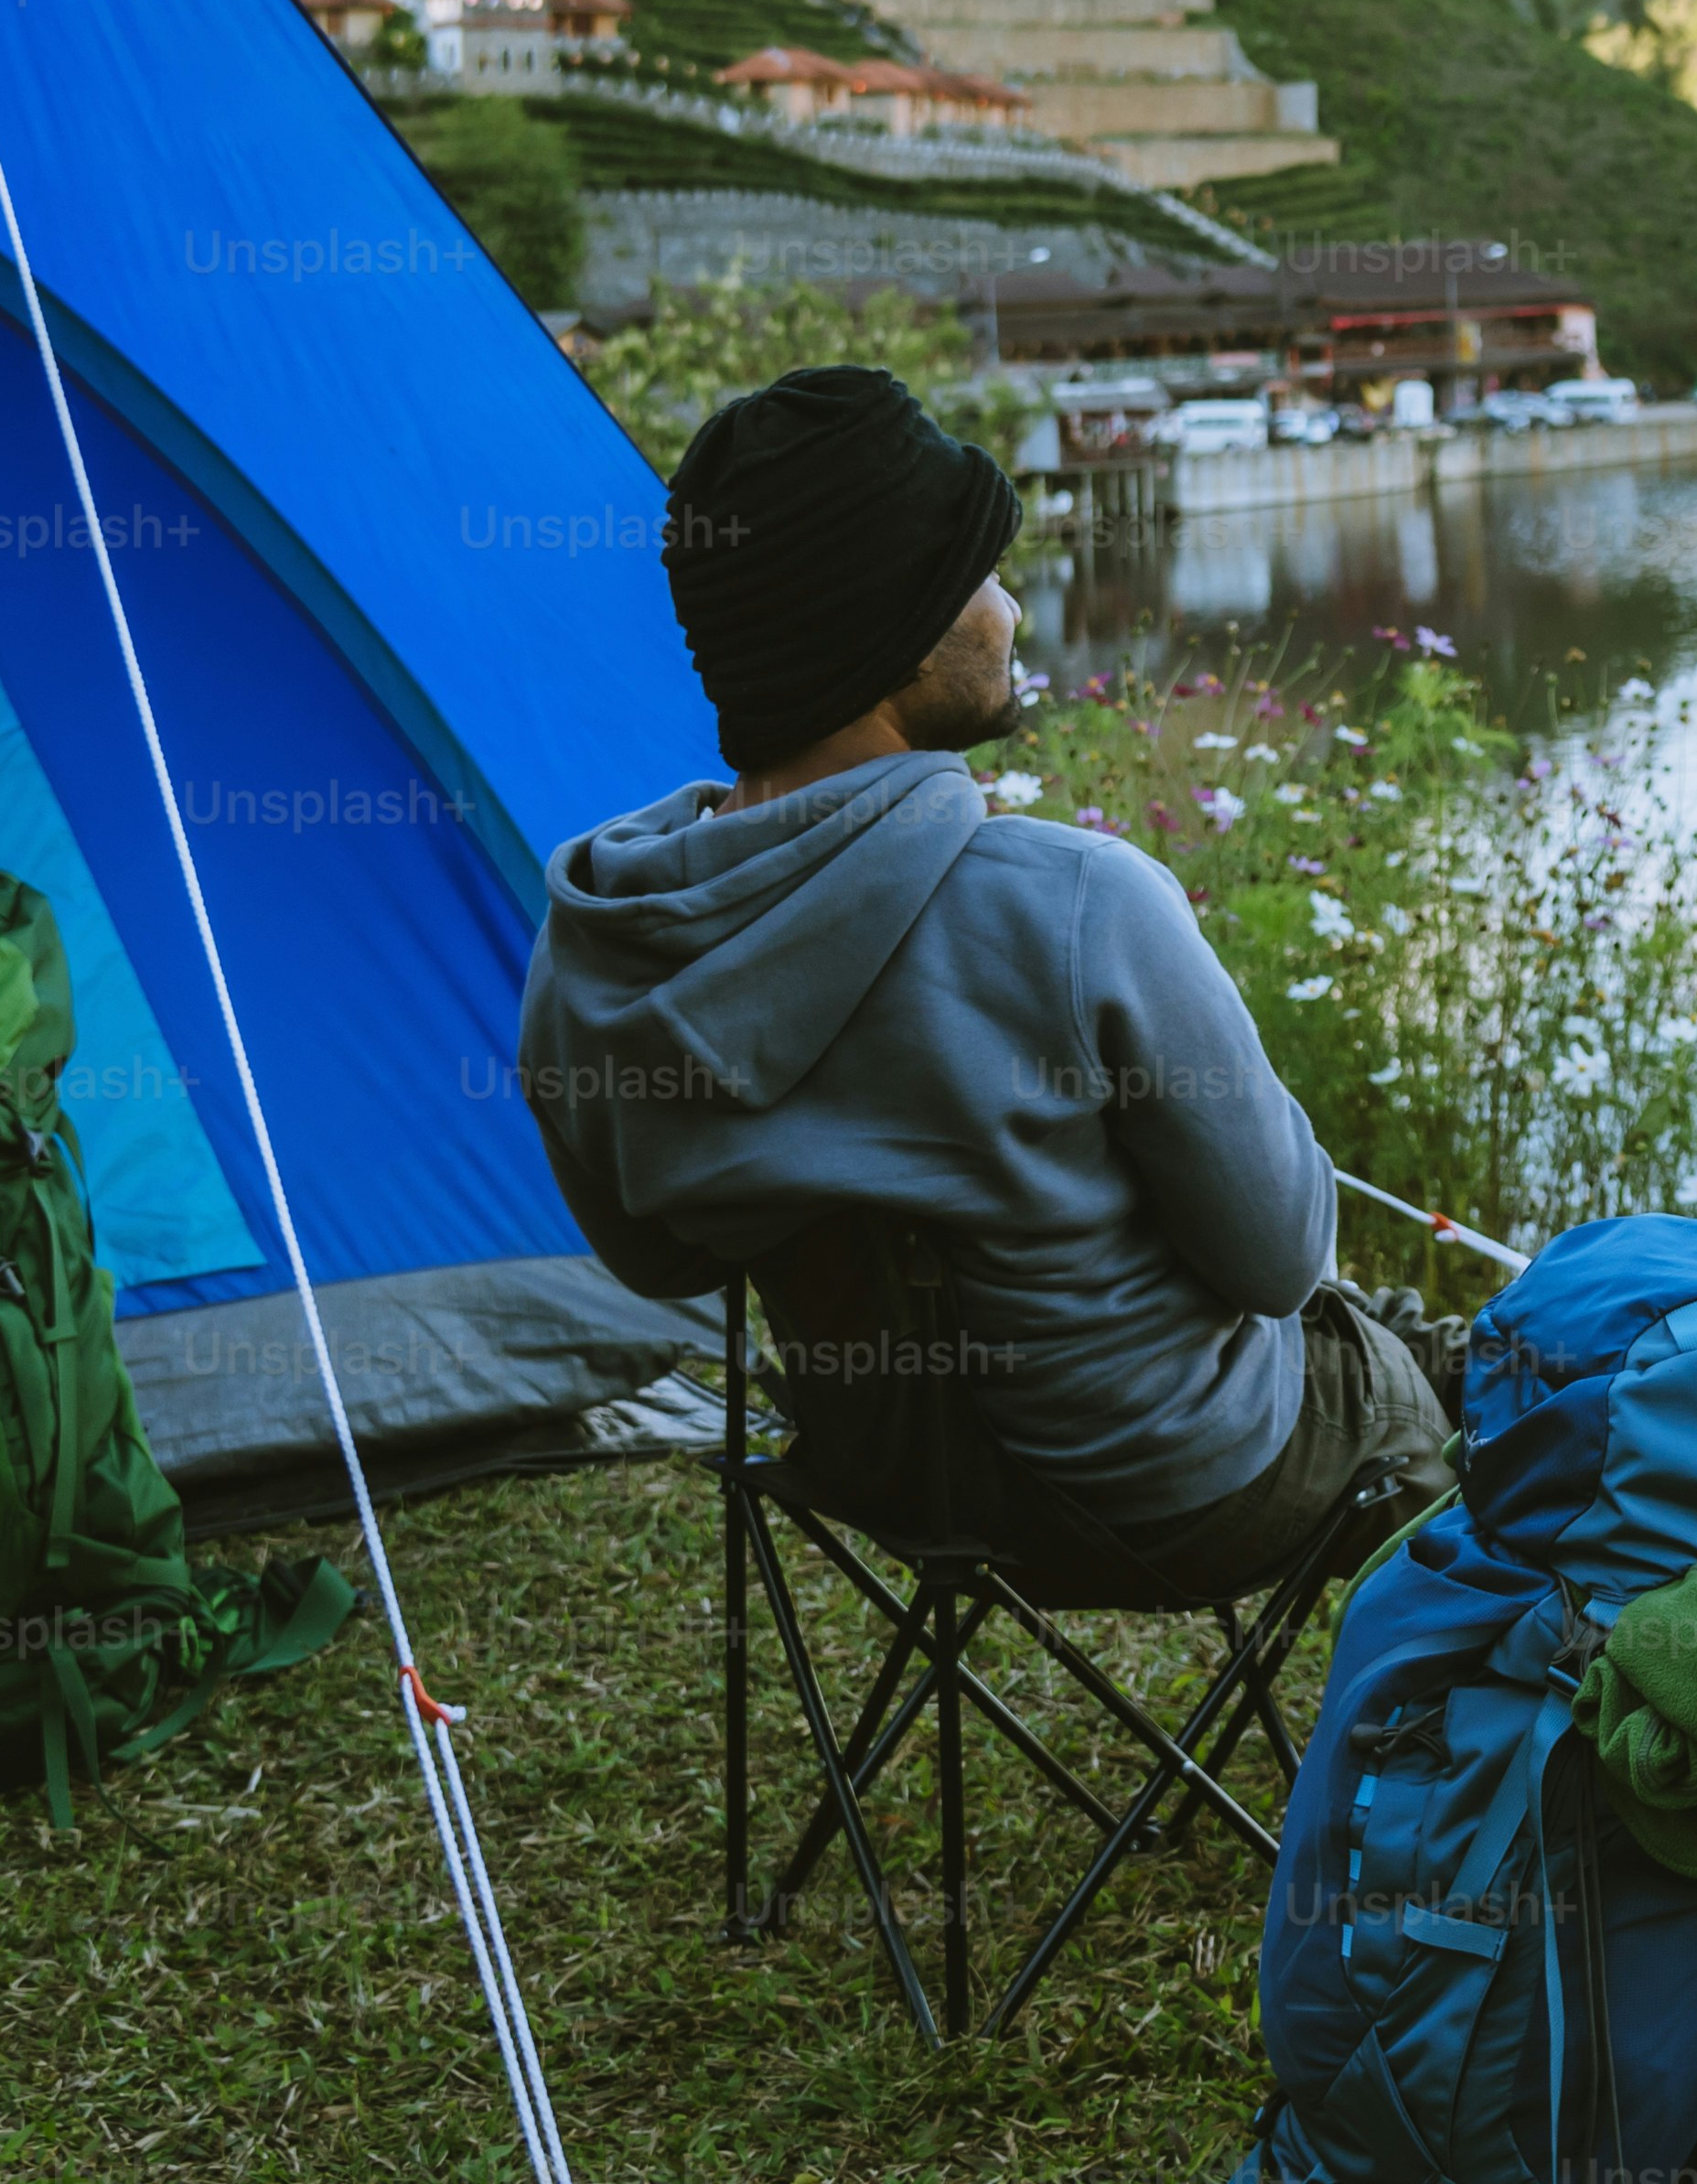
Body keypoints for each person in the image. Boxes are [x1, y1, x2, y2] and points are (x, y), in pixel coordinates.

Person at [517, 365, 1446, 1598]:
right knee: (1446, 1381)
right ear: (897, 632)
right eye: (985, 578)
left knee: (1410, 1334)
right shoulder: (1078, 901)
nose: (1011, 611)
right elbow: (1279, 1260)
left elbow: (657, 1263)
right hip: (1188, 1490)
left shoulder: (609, 923)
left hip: (892, 1485)